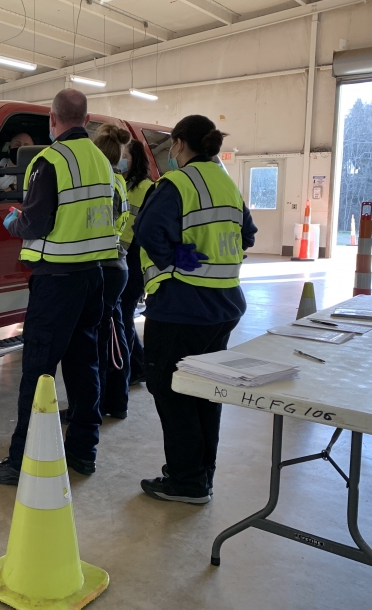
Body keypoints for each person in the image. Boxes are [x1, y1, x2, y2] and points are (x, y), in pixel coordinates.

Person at [0, 89, 118, 485]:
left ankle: (20, 461)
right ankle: (82, 453)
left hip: (57, 280)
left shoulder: (50, 160)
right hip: (94, 277)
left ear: (52, 121)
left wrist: (13, 220)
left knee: (39, 372)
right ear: (87, 118)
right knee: (83, 367)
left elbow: (37, 222)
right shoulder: (102, 160)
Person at [134, 114, 257, 505]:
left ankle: (186, 481)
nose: (171, 152)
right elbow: (248, 233)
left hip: (181, 306)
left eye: (172, 144)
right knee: (206, 391)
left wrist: (176, 256)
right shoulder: (226, 183)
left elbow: (146, 232)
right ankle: (201, 475)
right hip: (224, 305)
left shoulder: (177, 184)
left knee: (171, 389)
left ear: (182, 144)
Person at [62, 123, 132, 424]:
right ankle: (116, 402)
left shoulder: (102, 184)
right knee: (114, 336)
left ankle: (94, 407)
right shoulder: (118, 181)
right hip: (117, 266)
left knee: (95, 345)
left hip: (103, 267)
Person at [119, 139, 155, 386]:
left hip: (134, 257)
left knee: (124, 314)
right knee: (122, 316)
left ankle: (137, 367)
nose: (121, 159)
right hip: (119, 256)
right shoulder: (121, 183)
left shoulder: (148, 188)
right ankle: (138, 366)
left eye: (125, 156)